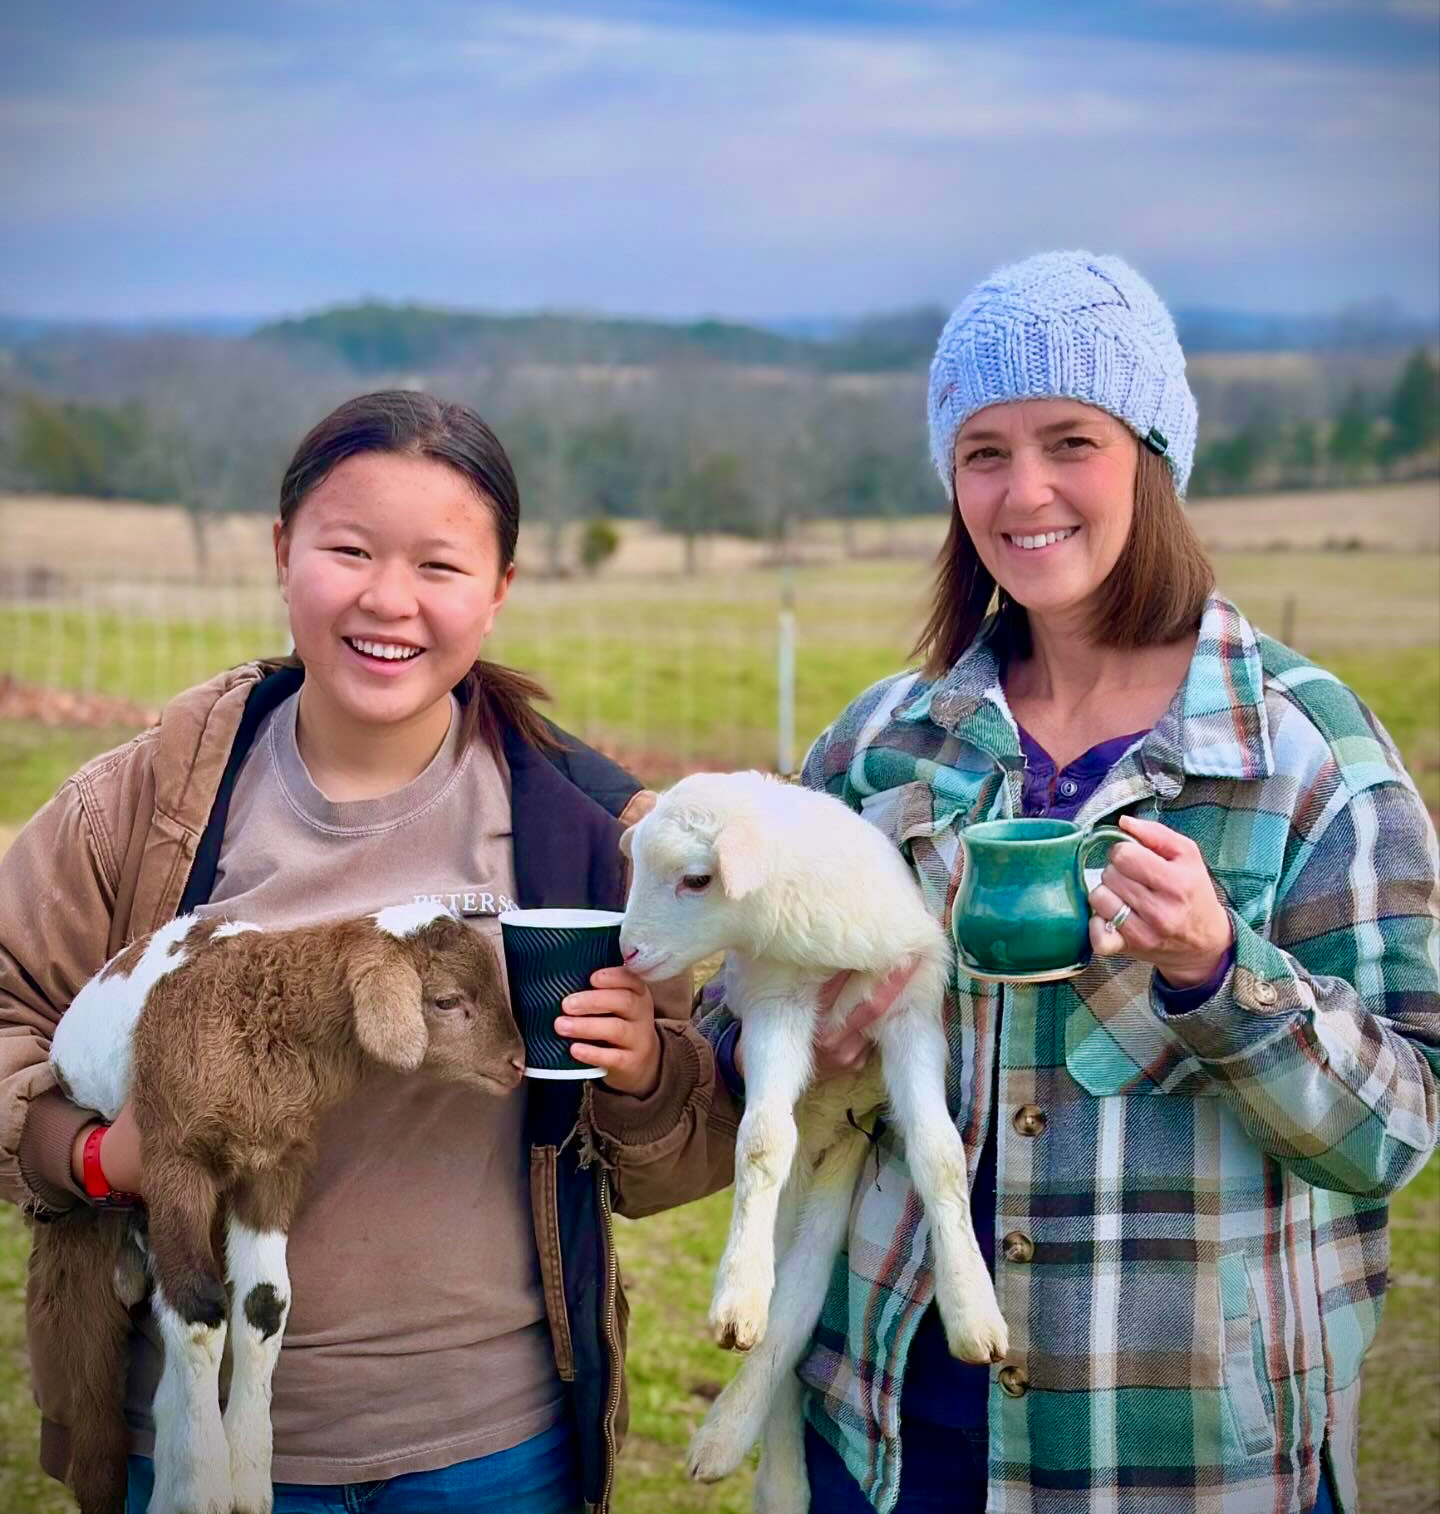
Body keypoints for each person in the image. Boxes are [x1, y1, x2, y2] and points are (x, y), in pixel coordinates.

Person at [667, 250, 1438, 1514]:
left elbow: (1399, 1127)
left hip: (1186, 1451)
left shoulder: (1309, 759)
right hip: (898, 1440)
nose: (1024, 491)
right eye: (982, 451)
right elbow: (736, 1010)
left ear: (1152, 454)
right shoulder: (879, 747)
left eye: (1068, 440)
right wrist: (795, 1030)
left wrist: (1216, 969)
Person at [0, 390, 741, 1514]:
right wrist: (96, 1156)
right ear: (283, 551)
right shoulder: (147, 808)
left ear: (499, 591)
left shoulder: (582, 835)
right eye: (348, 549)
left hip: (493, 1447)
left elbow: (678, 1153)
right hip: (202, 1446)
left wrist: (643, 1072)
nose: (388, 598)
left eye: (440, 565)